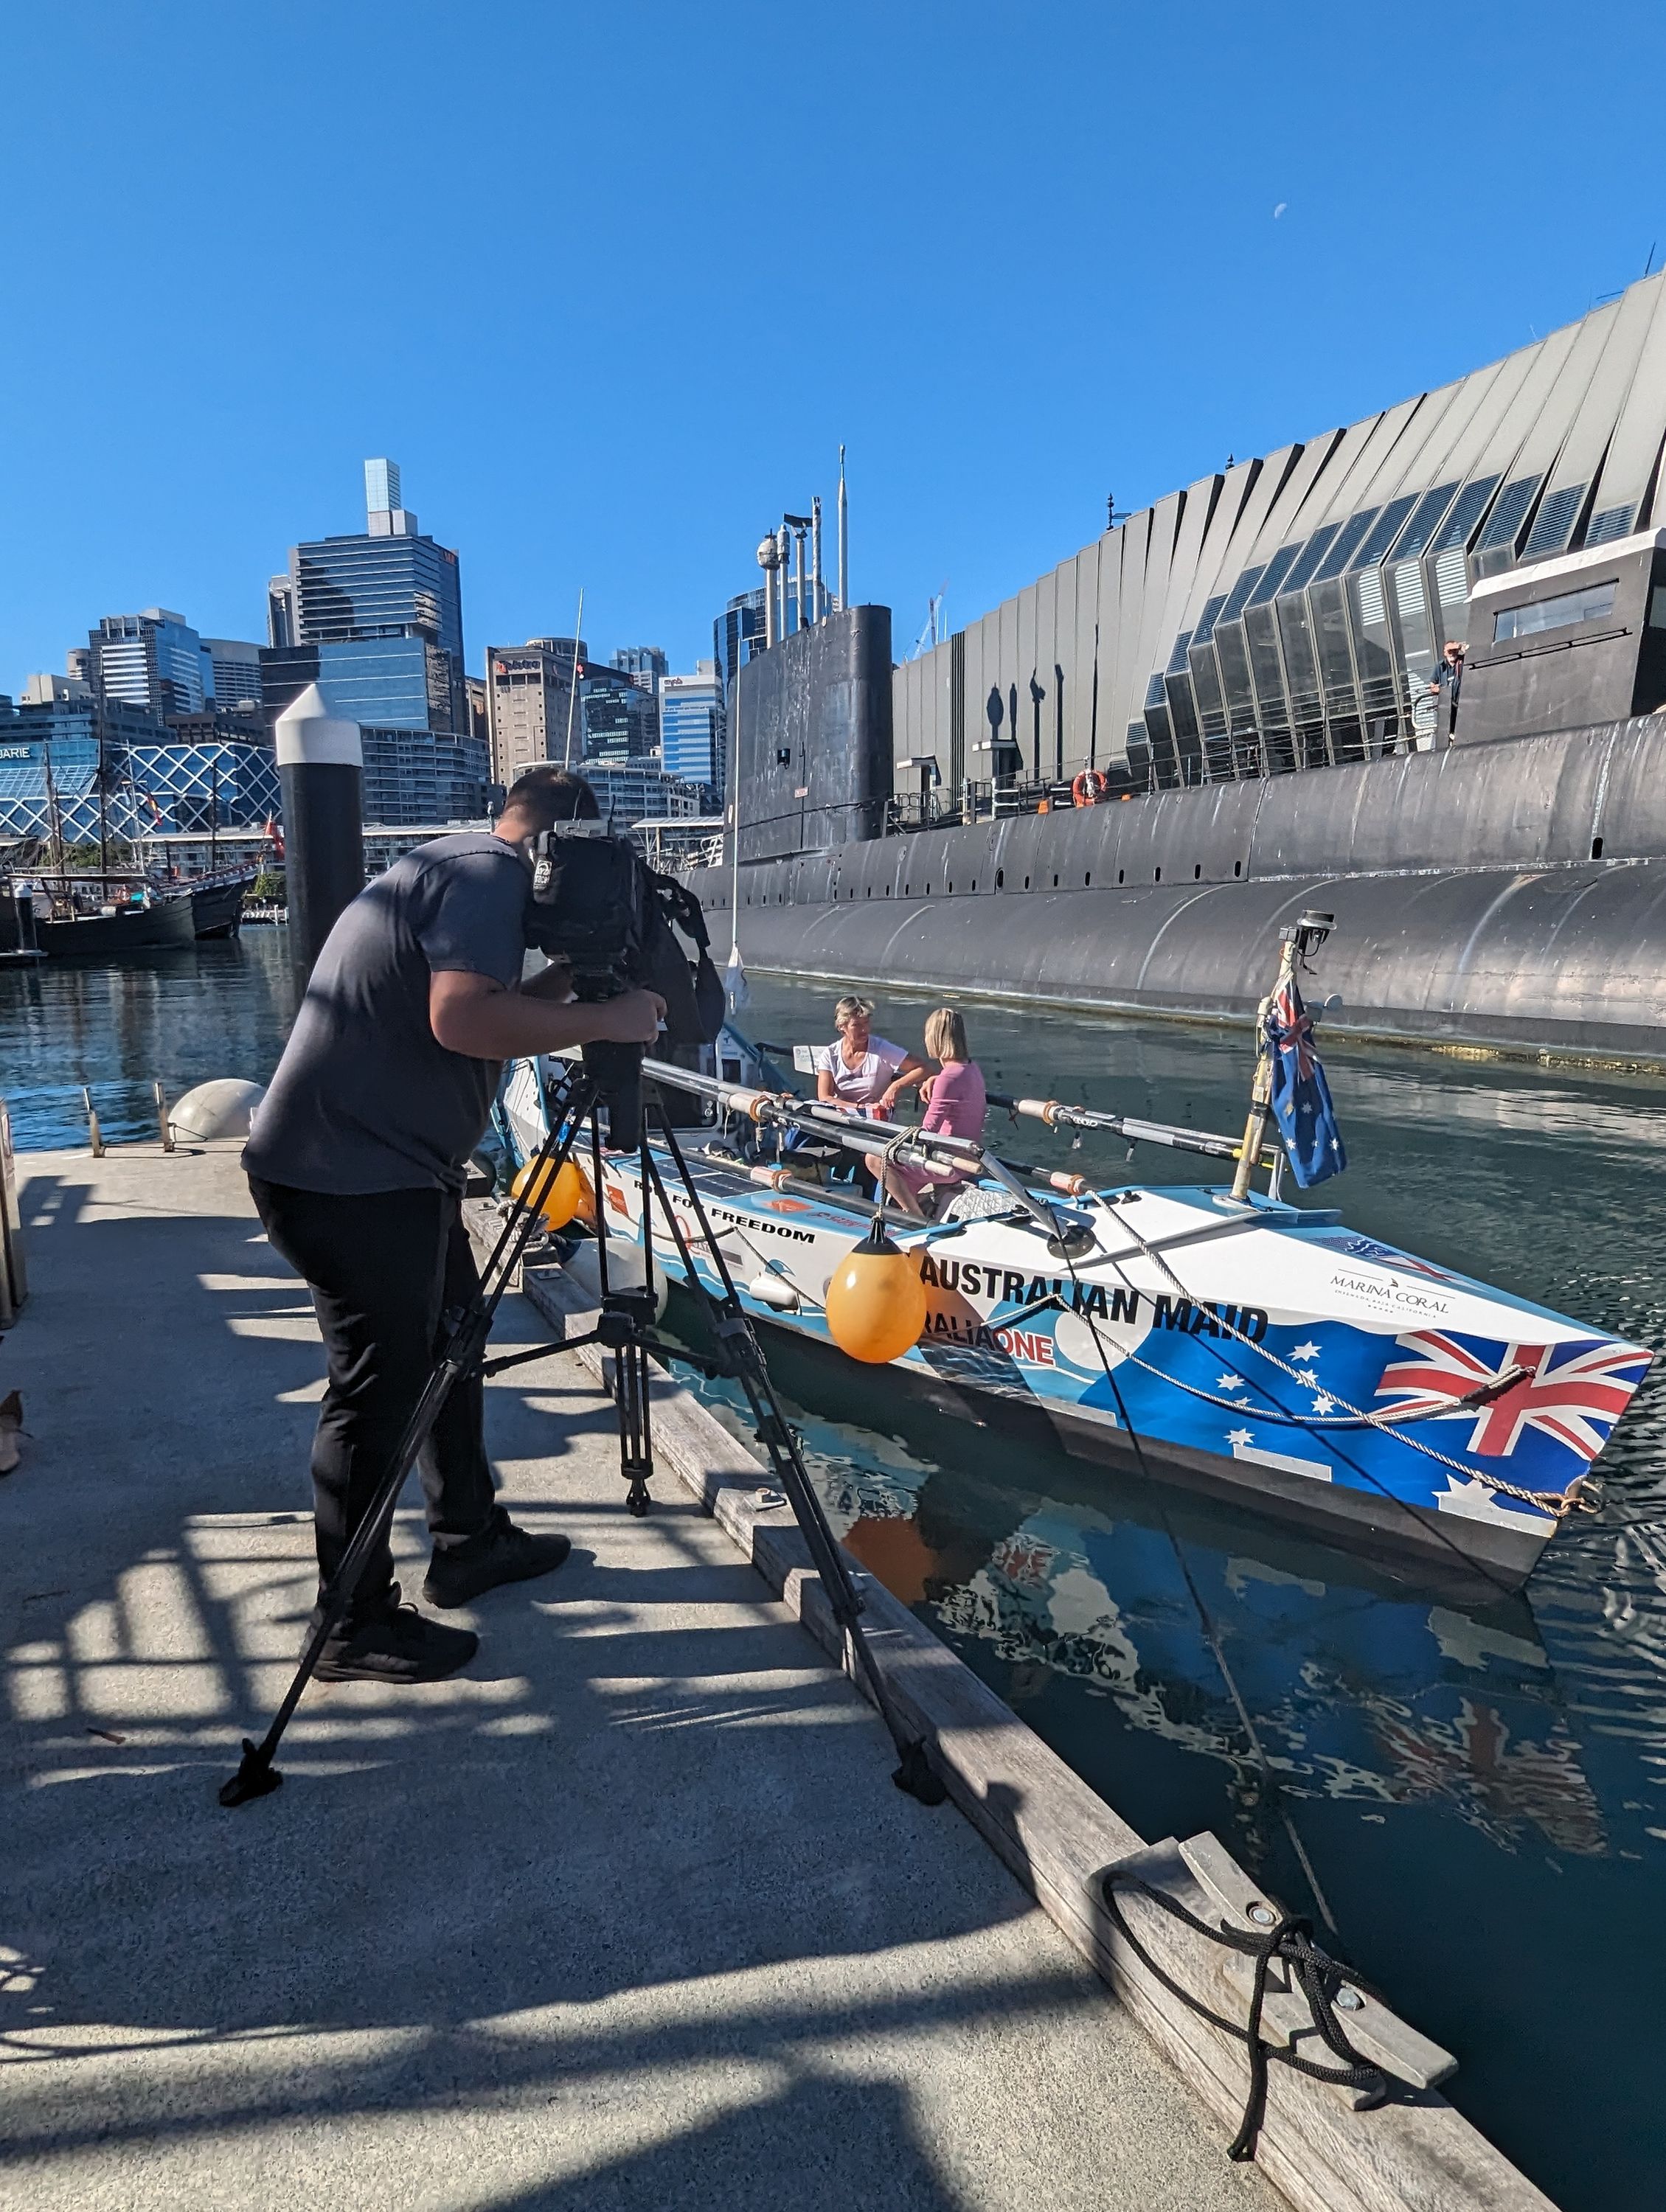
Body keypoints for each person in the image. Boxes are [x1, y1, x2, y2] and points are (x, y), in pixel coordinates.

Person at [242, 765, 665, 1687]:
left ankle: (469, 1538)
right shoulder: (489, 876)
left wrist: (560, 984)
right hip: (349, 1180)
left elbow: (477, 1003)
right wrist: (610, 1016)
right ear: (563, 846)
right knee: (378, 1393)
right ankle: (350, 1623)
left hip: (386, 1172)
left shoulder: (457, 864)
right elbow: (460, 1017)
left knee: (451, 1350)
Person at [867, 1007, 988, 1218]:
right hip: (968, 1154)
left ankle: (915, 1217)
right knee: (901, 1169)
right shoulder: (971, 1068)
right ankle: (906, 1205)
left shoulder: (948, 1079)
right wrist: (935, 1079)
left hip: (949, 1162)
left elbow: (927, 1132)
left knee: (874, 1158)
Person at [813, 995, 926, 1118]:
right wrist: (859, 1108)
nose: (864, 1030)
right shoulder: (830, 1054)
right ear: (842, 1027)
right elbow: (824, 1098)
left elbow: (923, 1068)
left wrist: (896, 1086)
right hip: (843, 1114)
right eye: (856, 1025)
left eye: (866, 1023)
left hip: (876, 1115)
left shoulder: (881, 1049)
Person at [1428, 641, 1465, 736]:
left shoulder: (1463, 661)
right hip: (1447, 705)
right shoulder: (1440, 666)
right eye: (1450, 651)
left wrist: (1460, 646)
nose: (1452, 653)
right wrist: (1443, 690)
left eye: (1454, 650)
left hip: (1463, 703)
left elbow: (1475, 653)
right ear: (1445, 653)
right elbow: (1432, 686)